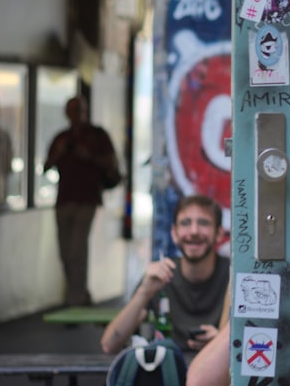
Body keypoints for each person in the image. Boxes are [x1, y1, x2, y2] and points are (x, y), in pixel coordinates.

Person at [101, 193, 229, 358]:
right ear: (174, 233)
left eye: (203, 223)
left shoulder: (234, 276)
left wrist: (221, 342)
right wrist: (145, 291)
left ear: (219, 233)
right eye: (185, 223)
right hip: (167, 373)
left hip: (216, 374)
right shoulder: (161, 275)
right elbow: (109, 344)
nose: (194, 231)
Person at [43, 95, 117, 306]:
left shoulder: (97, 136)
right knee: (66, 252)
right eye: (73, 110)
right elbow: (45, 166)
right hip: (64, 199)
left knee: (77, 249)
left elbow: (111, 164)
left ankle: (73, 300)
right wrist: (58, 154)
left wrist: (89, 157)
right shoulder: (62, 138)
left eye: (80, 110)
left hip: (87, 199)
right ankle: (80, 292)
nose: (77, 115)